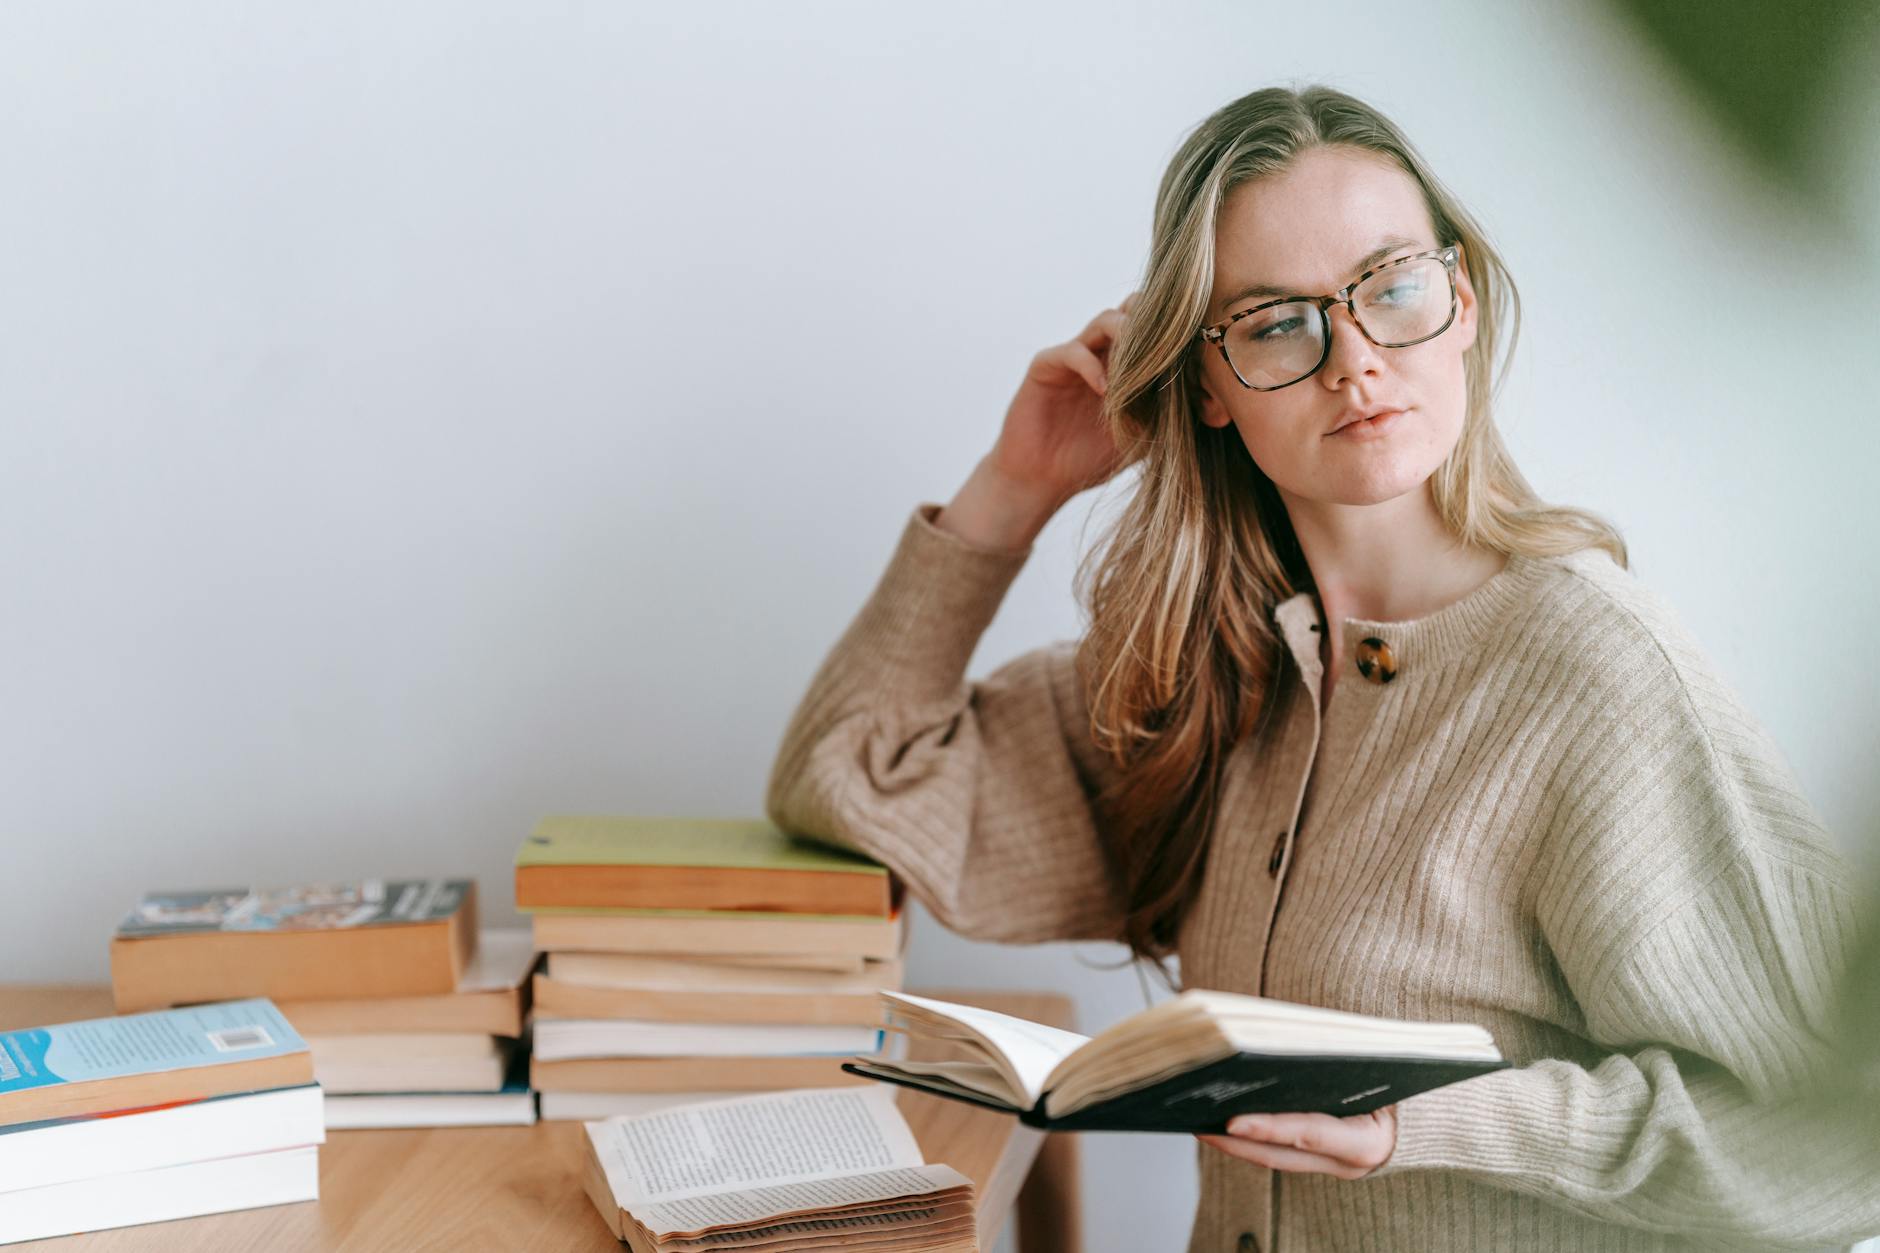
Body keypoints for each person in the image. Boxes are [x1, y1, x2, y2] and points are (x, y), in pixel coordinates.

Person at [765, 85, 1880, 1251]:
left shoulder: (1593, 676)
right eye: (1275, 321)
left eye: (1389, 287)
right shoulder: (1212, 666)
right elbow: (852, 774)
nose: (1351, 359)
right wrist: (1016, 485)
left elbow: (1843, 1134)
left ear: (1457, 301)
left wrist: (1446, 1120)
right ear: (1205, 382)